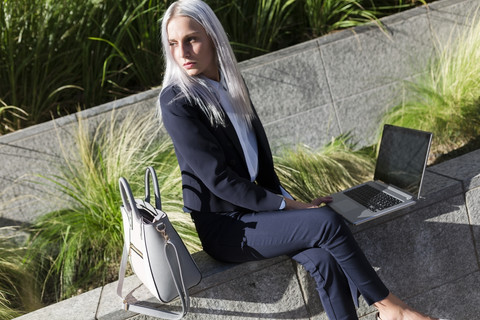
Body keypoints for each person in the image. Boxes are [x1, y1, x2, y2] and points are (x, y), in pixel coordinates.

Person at [158, 1, 442, 319]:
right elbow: (218, 180)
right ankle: (391, 308)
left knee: (324, 257)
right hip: (227, 228)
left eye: (191, 39)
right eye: (173, 43)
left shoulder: (231, 85)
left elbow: (259, 163)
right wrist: (288, 207)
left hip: (257, 212)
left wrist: (293, 204)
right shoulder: (177, 101)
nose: (182, 52)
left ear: (213, 37)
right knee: (327, 222)